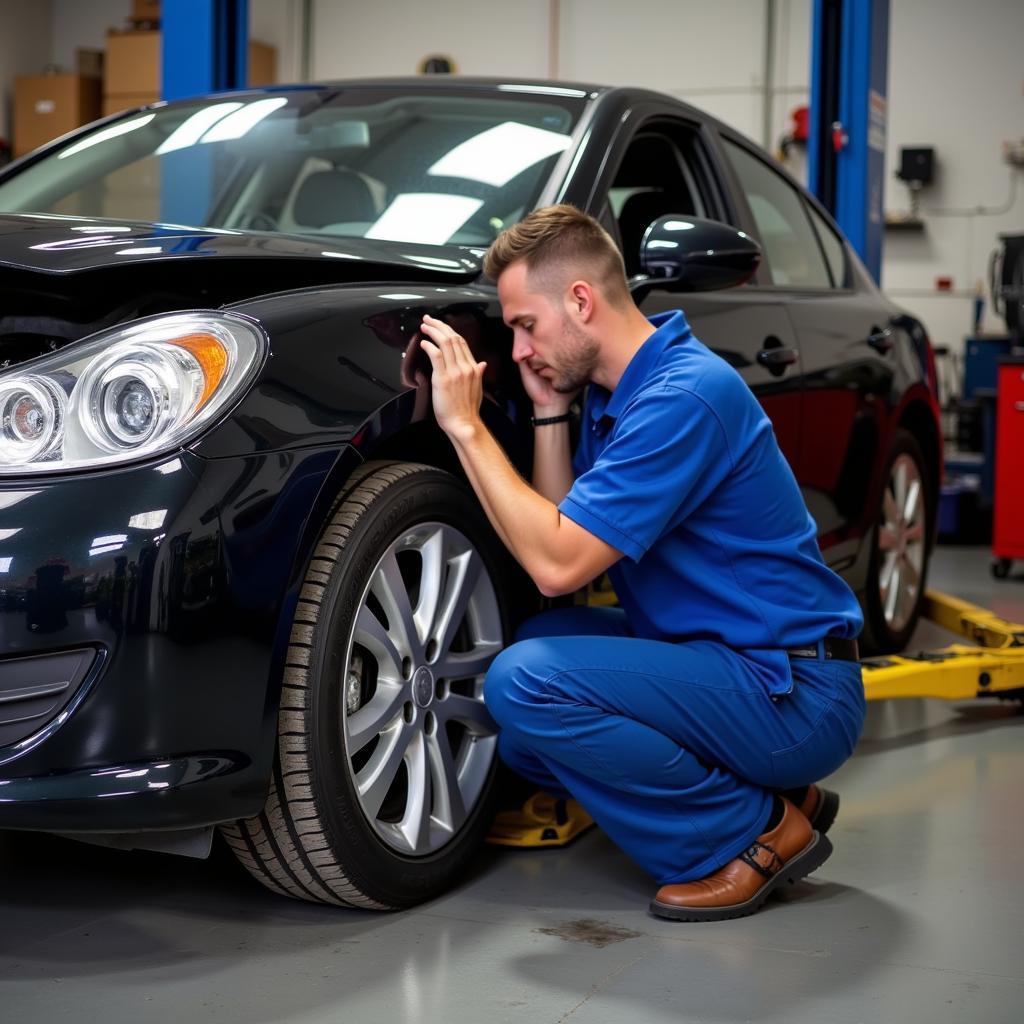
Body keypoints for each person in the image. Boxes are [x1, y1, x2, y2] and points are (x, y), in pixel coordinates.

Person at [418, 204, 866, 922]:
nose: (518, 347)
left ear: (581, 301)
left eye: (524, 324)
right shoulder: (612, 398)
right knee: (534, 673)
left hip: (794, 690)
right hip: (726, 663)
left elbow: (556, 565)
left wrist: (465, 427)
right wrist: (548, 413)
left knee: (527, 684)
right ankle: (772, 797)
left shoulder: (684, 397)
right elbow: (569, 546)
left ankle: (749, 833)